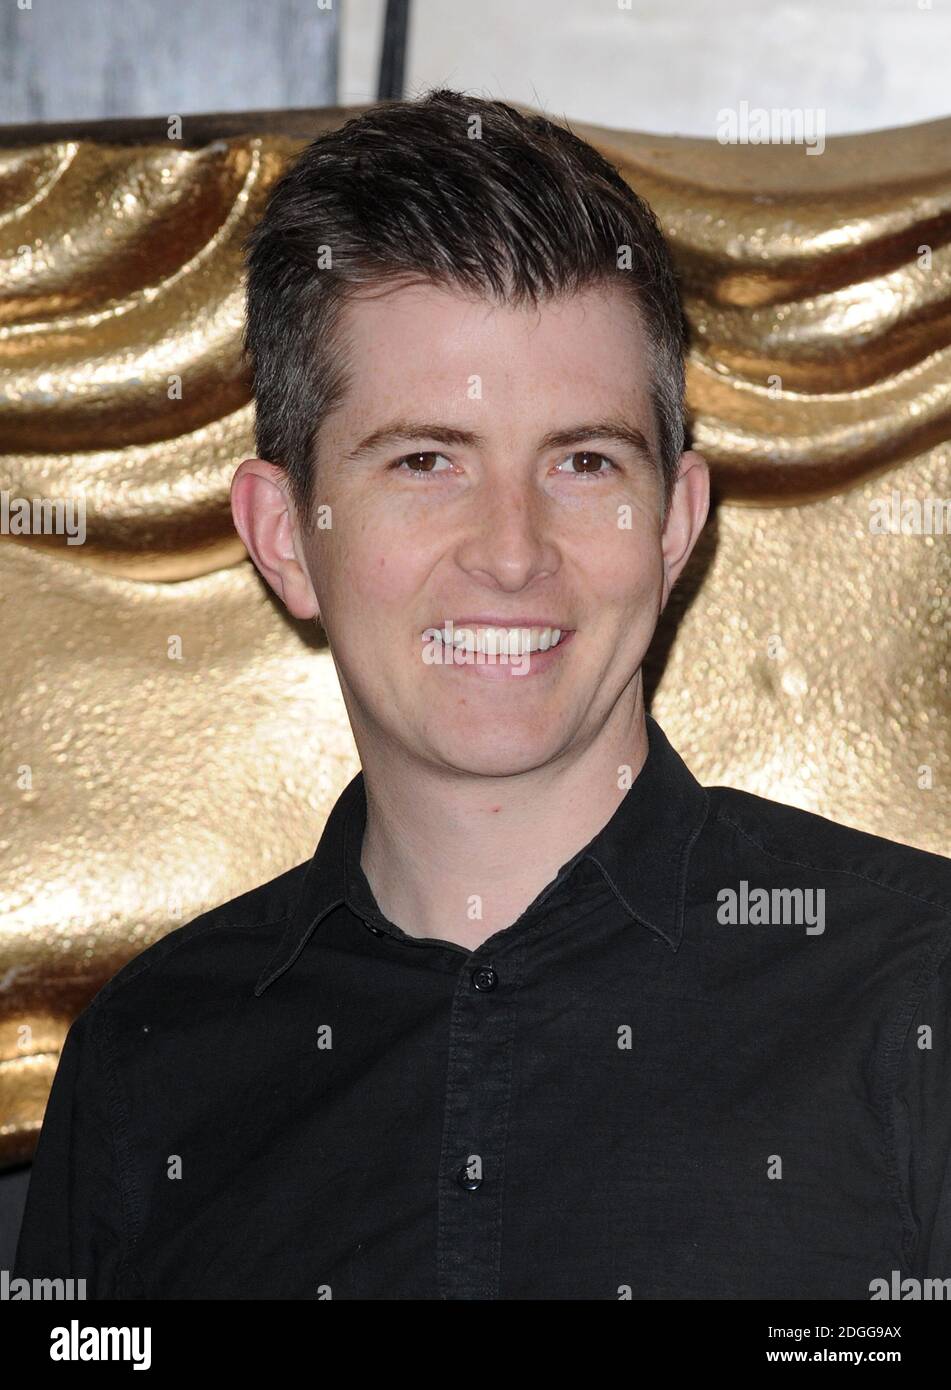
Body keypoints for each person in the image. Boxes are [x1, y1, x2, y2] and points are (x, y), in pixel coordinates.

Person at [14, 88, 950, 1301]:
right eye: (425, 461)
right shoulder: (146, 1062)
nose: (512, 551)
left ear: (673, 525)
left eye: (582, 460)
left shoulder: (916, 992)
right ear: (285, 535)